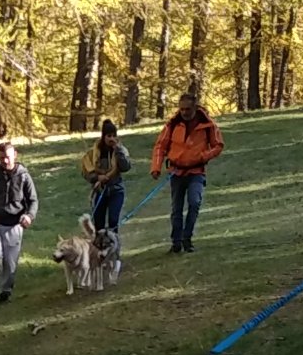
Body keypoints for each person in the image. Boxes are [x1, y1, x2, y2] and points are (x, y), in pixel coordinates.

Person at [149, 91, 225, 253]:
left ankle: (187, 238)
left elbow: (218, 145)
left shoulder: (207, 124)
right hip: (176, 172)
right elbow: (160, 146)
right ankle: (176, 242)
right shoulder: (172, 124)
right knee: (176, 209)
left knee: (194, 202)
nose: (184, 113)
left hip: (196, 172)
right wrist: (156, 167)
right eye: (181, 109)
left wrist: (204, 156)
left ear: (195, 108)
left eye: (187, 109)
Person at [0, 140, 37, 302]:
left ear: (15, 155)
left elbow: (33, 201)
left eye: (8, 157)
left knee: (10, 264)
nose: (5, 161)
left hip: (14, 225)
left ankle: (6, 291)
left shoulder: (24, 176)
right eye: (2, 157)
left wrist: (29, 216)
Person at [79, 119, 132, 233]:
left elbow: (126, 167)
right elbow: (86, 172)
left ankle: (114, 247)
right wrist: (97, 178)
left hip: (116, 190)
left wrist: (118, 151)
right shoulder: (94, 153)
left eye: (114, 136)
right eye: (109, 136)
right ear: (103, 136)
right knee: (99, 223)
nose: (111, 139)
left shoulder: (120, 150)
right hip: (100, 190)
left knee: (113, 221)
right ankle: (99, 248)